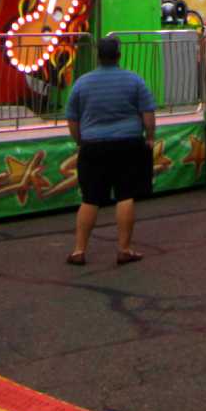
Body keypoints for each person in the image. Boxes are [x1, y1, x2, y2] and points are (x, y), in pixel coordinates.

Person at [64, 35, 156, 267]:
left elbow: (72, 119)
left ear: (98, 56)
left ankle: (79, 250)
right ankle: (124, 249)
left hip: (93, 145)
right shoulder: (134, 81)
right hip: (127, 143)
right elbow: (148, 114)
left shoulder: (82, 83)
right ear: (119, 55)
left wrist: (79, 141)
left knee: (90, 198)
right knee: (125, 195)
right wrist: (150, 136)